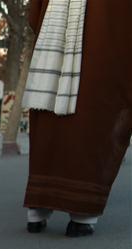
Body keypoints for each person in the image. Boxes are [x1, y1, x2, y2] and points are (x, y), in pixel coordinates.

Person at [22, 0, 129, 237]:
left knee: (47, 117)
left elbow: (34, 13)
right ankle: (81, 216)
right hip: (101, 52)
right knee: (93, 121)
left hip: (53, 45)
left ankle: (37, 210)